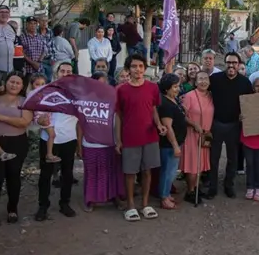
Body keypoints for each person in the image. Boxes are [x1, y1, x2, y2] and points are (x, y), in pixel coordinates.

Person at [115, 54, 166, 221]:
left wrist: (158, 125)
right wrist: (118, 139)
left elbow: (153, 109)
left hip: (150, 137)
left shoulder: (152, 87)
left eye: (141, 66)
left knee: (147, 171)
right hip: (130, 137)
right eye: (134, 66)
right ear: (128, 69)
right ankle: (130, 206)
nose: (138, 69)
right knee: (129, 173)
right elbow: (118, 116)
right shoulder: (121, 90)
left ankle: (145, 204)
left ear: (145, 68)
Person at [35, 61, 82, 222]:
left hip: (69, 138)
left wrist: (79, 144)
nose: (65, 74)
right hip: (48, 138)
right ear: (57, 74)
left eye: (69, 71)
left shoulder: (78, 94)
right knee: (45, 175)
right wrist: (40, 121)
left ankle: (65, 203)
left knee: (67, 174)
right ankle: (43, 206)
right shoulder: (47, 91)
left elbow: (82, 117)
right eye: (62, 71)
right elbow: (38, 112)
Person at [0, 71, 33, 227]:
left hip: (17, 143)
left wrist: (1, 117)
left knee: (13, 177)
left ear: (22, 86)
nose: (14, 85)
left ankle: (12, 209)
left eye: (18, 83)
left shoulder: (25, 101)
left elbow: (24, 122)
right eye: (11, 81)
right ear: (5, 82)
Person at [209, 52, 254, 199]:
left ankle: (229, 185)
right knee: (213, 158)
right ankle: (212, 186)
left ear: (239, 64)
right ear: (225, 63)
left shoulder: (245, 82)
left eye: (234, 63)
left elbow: (250, 103)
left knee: (232, 158)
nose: (231, 65)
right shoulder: (214, 80)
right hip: (216, 124)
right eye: (228, 62)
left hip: (234, 125)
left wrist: (245, 115)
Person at [81, 71, 125, 212]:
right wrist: (78, 145)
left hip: (110, 143)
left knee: (113, 172)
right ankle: (91, 200)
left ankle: (114, 197)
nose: (101, 86)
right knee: (92, 173)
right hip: (91, 144)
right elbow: (80, 124)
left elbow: (117, 120)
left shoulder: (113, 99)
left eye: (104, 83)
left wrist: (118, 140)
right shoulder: (84, 100)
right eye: (98, 83)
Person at [181, 70, 213, 203]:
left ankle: (196, 188)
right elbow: (182, 115)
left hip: (205, 135)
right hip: (192, 134)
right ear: (195, 81)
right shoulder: (189, 96)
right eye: (200, 79)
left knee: (200, 164)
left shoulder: (211, 96)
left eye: (206, 78)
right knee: (192, 165)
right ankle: (190, 191)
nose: (203, 81)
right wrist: (194, 124)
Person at [157, 73, 187, 210]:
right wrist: (175, 146)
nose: (178, 89)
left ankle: (166, 193)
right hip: (168, 145)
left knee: (170, 171)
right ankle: (164, 197)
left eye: (178, 86)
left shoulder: (172, 100)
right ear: (166, 88)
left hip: (173, 143)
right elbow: (168, 127)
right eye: (175, 87)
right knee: (168, 172)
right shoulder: (166, 104)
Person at [28, 74, 61, 165]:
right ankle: (49, 155)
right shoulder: (33, 94)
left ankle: (49, 154)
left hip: (46, 116)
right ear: (32, 85)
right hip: (41, 117)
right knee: (52, 135)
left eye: (43, 84)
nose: (40, 86)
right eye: (37, 84)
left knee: (52, 135)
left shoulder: (45, 93)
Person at [20, 16, 47, 84]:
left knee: (40, 89)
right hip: (28, 70)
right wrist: (33, 63)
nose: (33, 25)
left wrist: (39, 61)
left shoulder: (40, 36)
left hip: (39, 69)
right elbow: (21, 52)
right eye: (30, 23)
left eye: (34, 23)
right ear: (27, 24)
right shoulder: (22, 37)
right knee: (28, 89)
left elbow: (44, 49)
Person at [38, 15, 55, 82]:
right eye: (42, 21)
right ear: (39, 22)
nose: (44, 23)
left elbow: (52, 45)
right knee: (41, 80)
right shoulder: (36, 32)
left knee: (49, 81)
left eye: (46, 21)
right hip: (40, 60)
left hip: (49, 60)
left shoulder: (50, 31)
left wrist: (53, 58)